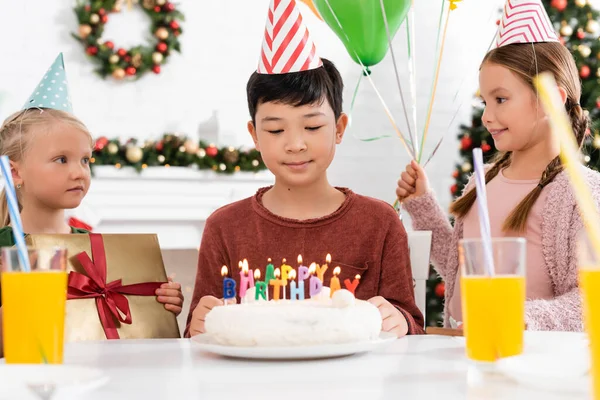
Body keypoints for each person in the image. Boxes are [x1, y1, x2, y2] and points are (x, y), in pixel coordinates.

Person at [184, 0, 423, 338]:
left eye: (312, 127)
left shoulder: (378, 223)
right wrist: (198, 324)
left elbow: (411, 324)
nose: (295, 144)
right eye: (276, 130)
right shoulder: (225, 228)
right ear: (254, 135)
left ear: (339, 128)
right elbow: (200, 333)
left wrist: (401, 321)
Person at [397, 0, 600, 331]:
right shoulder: (483, 181)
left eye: (501, 99)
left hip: (530, 363)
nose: (487, 116)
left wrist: (518, 318)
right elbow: (463, 267)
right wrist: (422, 207)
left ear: (553, 98)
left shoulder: (580, 192)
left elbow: (589, 299)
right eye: (484, 102)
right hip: (464, 352)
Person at [0, 54, 184, 356]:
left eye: (85, 160)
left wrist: (160, 302)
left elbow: (122, 335)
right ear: (15, 171)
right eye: (61, 160)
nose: (79, 172)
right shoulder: (3, 247)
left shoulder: (97, 248)